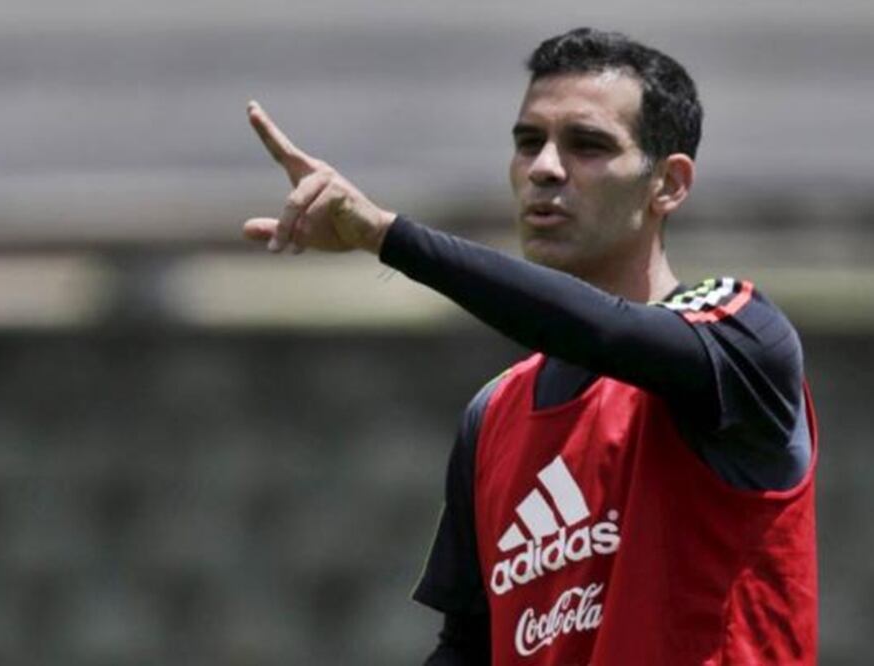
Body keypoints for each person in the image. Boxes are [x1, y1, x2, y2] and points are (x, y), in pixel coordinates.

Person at [242, 27, 817, 666]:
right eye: (527, 143)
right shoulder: (495, 414)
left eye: (587, 145)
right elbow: (469, 647)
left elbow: (610, 333)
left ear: (669, 184)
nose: (544, 167)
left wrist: (388, 237)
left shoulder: (740, 338)